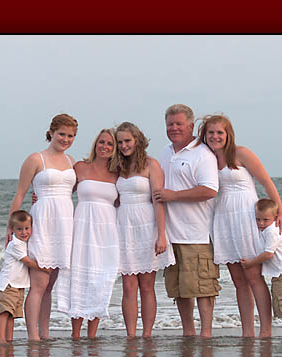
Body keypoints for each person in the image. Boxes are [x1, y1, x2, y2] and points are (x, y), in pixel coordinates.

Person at [199, 113, 282, 338]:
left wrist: (280, 213)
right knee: (238, 280)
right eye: (211, 132)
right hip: (225, 218)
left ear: (228, 134)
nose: (215, 136)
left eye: (220, 132)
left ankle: (265, 330)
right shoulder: (206, 158)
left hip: (247, 215)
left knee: (253, 276)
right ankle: (247, 332)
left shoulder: (241, 153)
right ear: (204, 135)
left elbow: (266, 181)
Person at [6, 113, 77, 341]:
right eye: (62, 134)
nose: (66, 139)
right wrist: (9, 228)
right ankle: (32, 336)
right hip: (43, 222)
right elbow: (20, 195)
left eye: (71, 136)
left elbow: (77, 190)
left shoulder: (72, 162)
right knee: (39, 282)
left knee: (50, 285)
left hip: (65, 224)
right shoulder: (36, 159)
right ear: (52, 132)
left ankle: (45, 334)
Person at [153, 104, 220, 338]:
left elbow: (210, 190)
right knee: (180, 289)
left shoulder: (203, 154)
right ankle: (188, 332)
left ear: (191, 126)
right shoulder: (164, 153)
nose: (174, 128)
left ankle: (207, 334)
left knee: (202, 287)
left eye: (179, 124)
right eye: (170, 124)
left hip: (197, 234)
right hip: (171, 235)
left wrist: (174, 196)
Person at [109, 121, 176, 338]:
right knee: (128, 286)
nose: (124, 146)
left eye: (127, 140)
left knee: (147, 286)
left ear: (137, 139)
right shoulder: (116, 166)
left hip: (147, 225)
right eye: (120, 142)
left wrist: (162, 235)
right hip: (124, 226)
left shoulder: (151, 164)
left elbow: (159, 200)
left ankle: (146, 335)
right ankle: (130, 335)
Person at [56, 129, 120, 339]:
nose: (105, 147)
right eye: (101, 142)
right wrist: (39, 198)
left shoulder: (118, 172)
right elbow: (62, 190)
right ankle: (75, 334)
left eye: (110, 144)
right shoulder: (81, 167)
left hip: (107, 232)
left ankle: (92, 335)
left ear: (115, 148)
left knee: (100, 280)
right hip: (81, 229)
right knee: (79, 278)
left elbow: (122, 201)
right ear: (95, 144)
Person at [241, 198, 282, 338]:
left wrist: (251, 263)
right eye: (258, 219)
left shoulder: (272, 231)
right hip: (281, 274)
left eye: (265, 220)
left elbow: (268, 254)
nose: (261, 223)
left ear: (275, 218)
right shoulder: (267, 230)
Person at [0, 210, 50, 344]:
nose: (24, 232)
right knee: (4, 313)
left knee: (12, 315)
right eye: (19, 229)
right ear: (13, 230)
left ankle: (9, 338)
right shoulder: (15, 244)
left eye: (27, 228)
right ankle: (1, 339)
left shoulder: (23, 243)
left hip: (18, 285)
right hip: (8, 284)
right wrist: (44, 268)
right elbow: (28, 262)